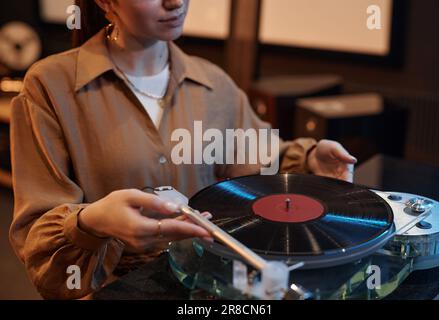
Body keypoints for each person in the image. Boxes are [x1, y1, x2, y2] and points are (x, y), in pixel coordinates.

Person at [9, 0, 357, 299]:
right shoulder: (49, 86)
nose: (176, 2)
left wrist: (308, 158)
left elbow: (255, 154)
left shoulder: (214, 82)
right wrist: (94, 223)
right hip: (114, 289)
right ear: (105, 2)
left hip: (209, 286)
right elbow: (39, 244)